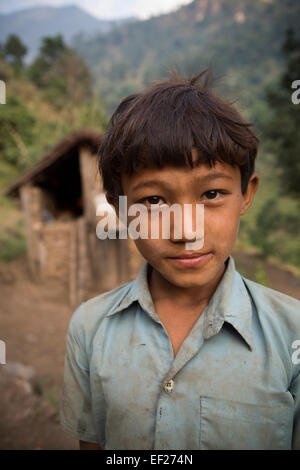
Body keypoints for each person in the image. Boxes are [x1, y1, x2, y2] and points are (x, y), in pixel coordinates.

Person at [60, 70, 300, 450]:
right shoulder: (89, 328)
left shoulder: (293, 334)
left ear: (246, 194)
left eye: (212, 193)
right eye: (153, 200)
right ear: (122, 210)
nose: (186, 231)